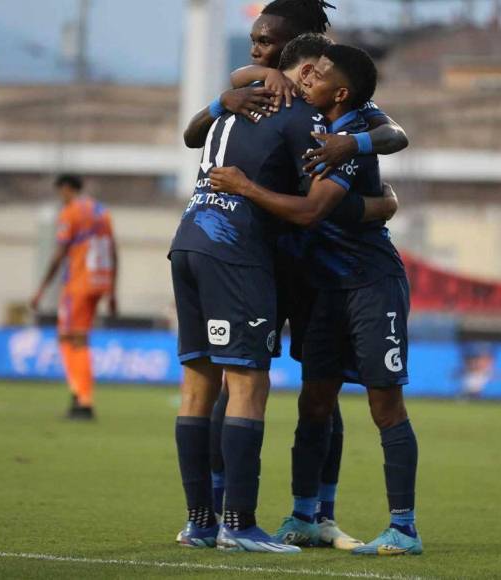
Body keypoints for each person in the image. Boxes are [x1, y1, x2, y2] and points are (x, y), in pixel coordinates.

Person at [178, 5, 407, 550]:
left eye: (267, 44)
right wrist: (233, 92)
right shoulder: (258, 97)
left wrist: (359, 158)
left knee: (319, 391)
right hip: (259, 257)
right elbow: (200, 127)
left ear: (307, 51)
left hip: (312, 267)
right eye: (255, 42)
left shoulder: (335, 106)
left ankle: (313, 511)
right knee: (234, 382)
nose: (256, 51)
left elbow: (394, 134)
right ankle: (218, 516)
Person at [31, 175, 118, 421]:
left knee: (69, 339)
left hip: (79, 283)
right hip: (100, 281)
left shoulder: (70, 213)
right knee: (80, 338)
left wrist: (41, 289)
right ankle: (80, 397)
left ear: (67, 189)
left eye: (61, 192)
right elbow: (113, 251)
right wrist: (112, 290)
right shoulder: (102, 212)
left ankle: (82, 398)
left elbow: (60, 253)